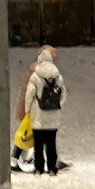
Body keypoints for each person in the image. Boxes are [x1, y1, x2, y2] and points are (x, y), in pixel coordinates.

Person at [11, 45, 57, 170]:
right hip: (34, 108)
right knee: (28, 134)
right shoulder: (39, 69)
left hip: (34, 107)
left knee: (33, 134)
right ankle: (47, 162)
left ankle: (42, 160)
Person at [24, 46, 66, 175]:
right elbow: (63, 95)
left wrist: (27, 110)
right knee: (51, 144)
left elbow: (29, 94)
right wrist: (57, 105)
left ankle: (38, 168)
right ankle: (52, 168)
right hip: (53, 115)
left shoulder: (36, 76)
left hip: (38, 115)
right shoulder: (58, 77)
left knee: (38, 145)